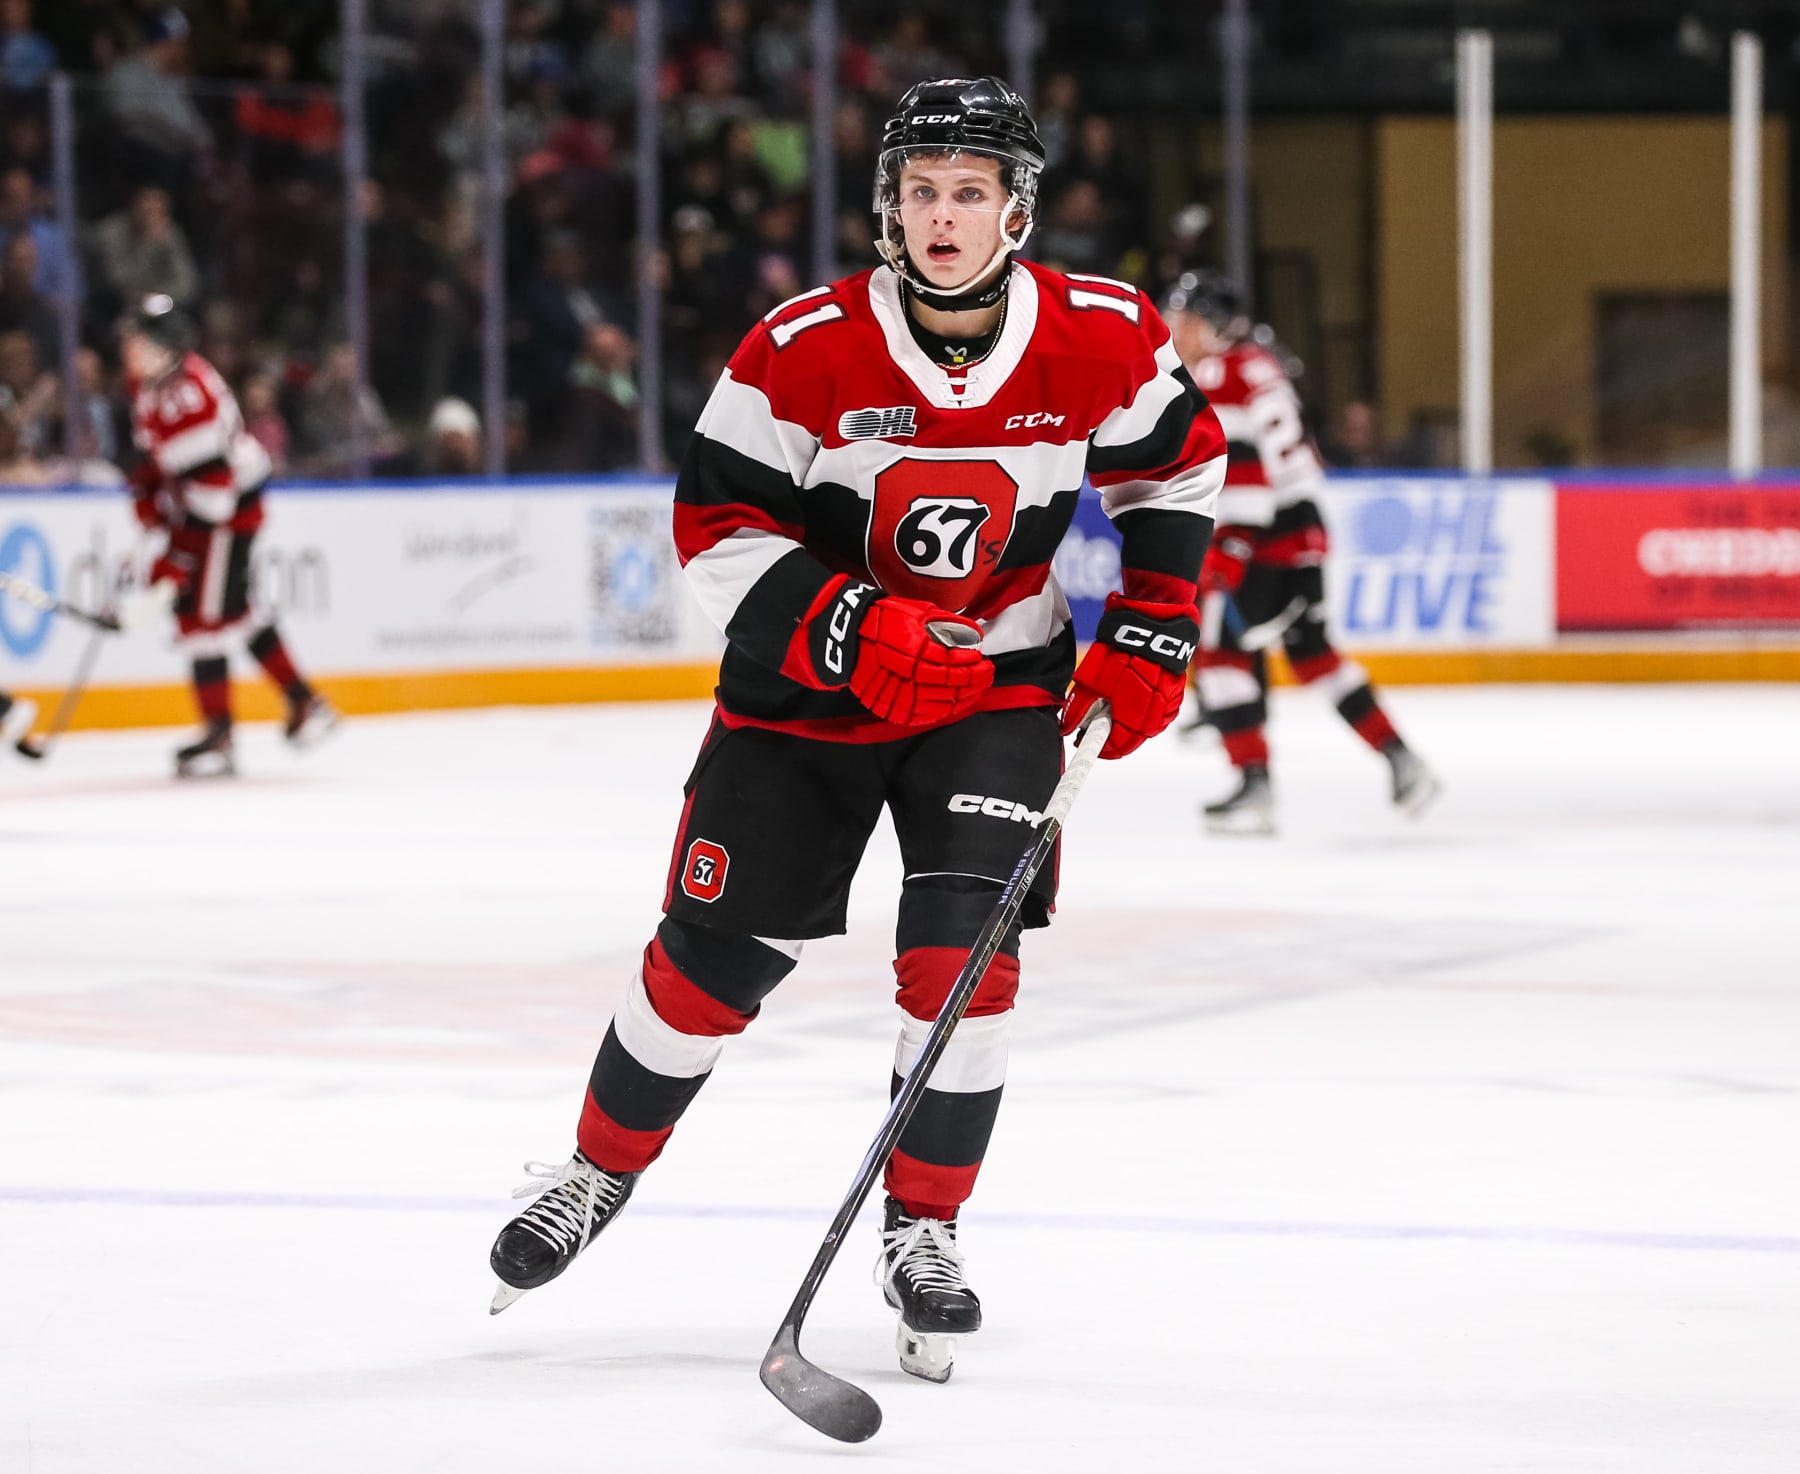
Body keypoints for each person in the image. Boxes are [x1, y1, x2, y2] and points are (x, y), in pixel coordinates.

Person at [487, 77, 1225, 1382]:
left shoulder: (1102, 332)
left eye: (972, 193)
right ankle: (595, 1172)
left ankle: (924, 1228)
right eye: (924, 190)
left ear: (1017, 210)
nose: (945, 217)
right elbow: (715, 525)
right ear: (891, 205)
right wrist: (851, 626)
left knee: (965, 968)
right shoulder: (801, 345)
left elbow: (1176, 462)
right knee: (711, 966)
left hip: (997, 687)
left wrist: (1154, 623)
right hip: (804, 699)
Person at [1161, 272, 1438, 833]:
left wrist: (1230, 550)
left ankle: (1254, 784)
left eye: (1180, 318)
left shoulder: (1219, 372)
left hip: (1263, 534)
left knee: (1219, 653)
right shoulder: (1260, 363)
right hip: (1304, 529)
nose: (1171, 328)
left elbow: (1245, 471)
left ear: (1207, 325)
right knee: (1312, 654)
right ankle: (1402, 759)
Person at [116, 295, 337, 777]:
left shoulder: (188, 395)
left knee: (202, 617)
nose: (128, 345)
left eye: (139, 338)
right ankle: (302, 703)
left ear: (164, 346)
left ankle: (226, 732)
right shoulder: (154, 383)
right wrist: (150, 493)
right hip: (216, 508)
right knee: (228, 611)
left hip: (226, 515)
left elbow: (212, 497)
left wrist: (177, 558)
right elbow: (158, 455)